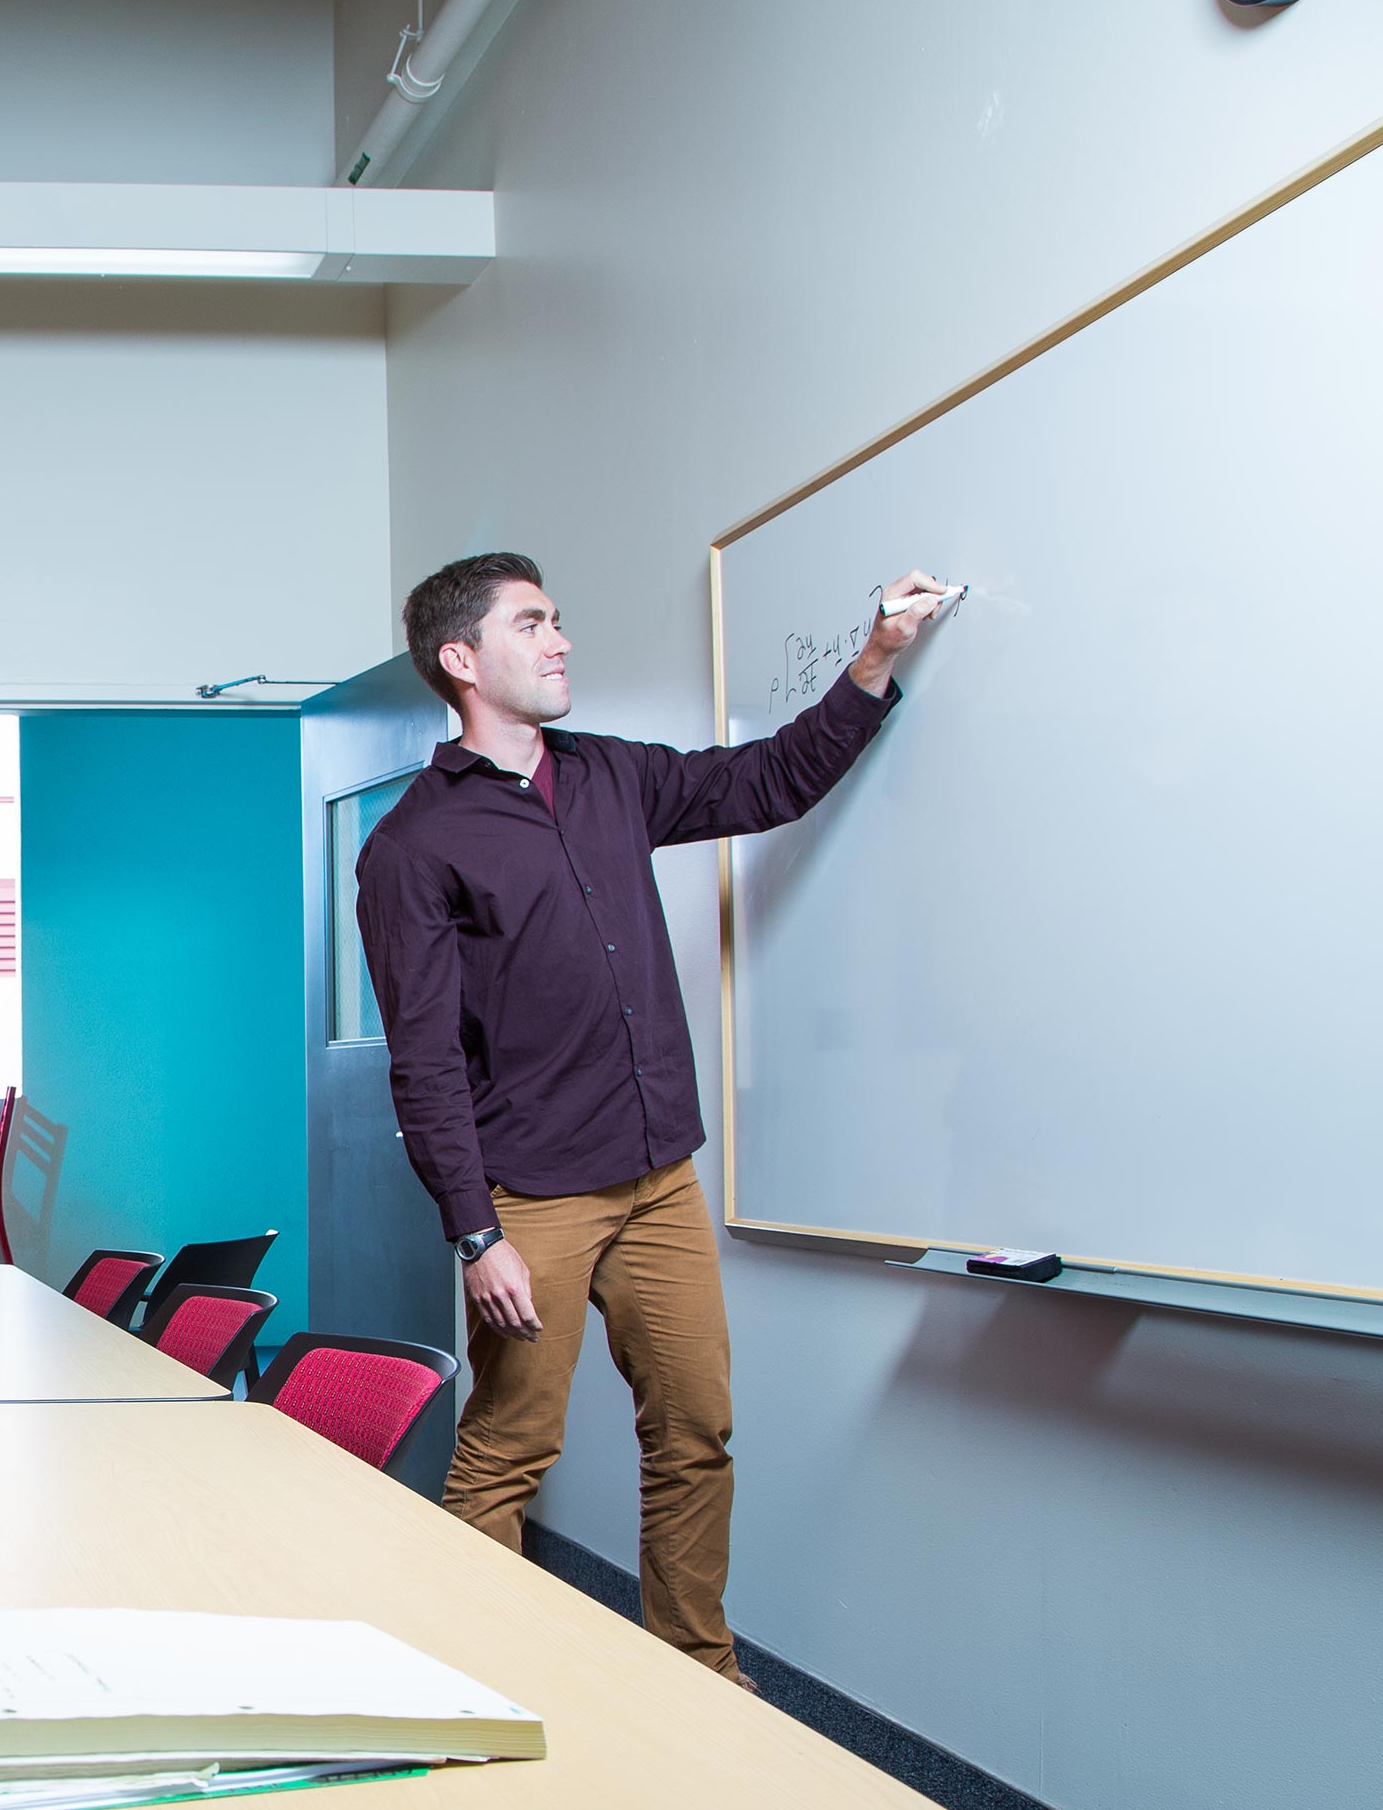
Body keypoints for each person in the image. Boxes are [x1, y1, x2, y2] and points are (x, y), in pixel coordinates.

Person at [356, 552, 947, 1685]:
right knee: (505, 1458)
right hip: (534, 1199)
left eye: (559, 618)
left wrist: (872, 660)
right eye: (534, 623)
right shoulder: (415, 847)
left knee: (694, 1432)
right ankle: (476, 1691)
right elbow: (423, 1059)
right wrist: (475, 1232)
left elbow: (768, 782)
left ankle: (698, 1675)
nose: (562, 639)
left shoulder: (613, 777)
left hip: (659, 1180)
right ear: (464, 659)